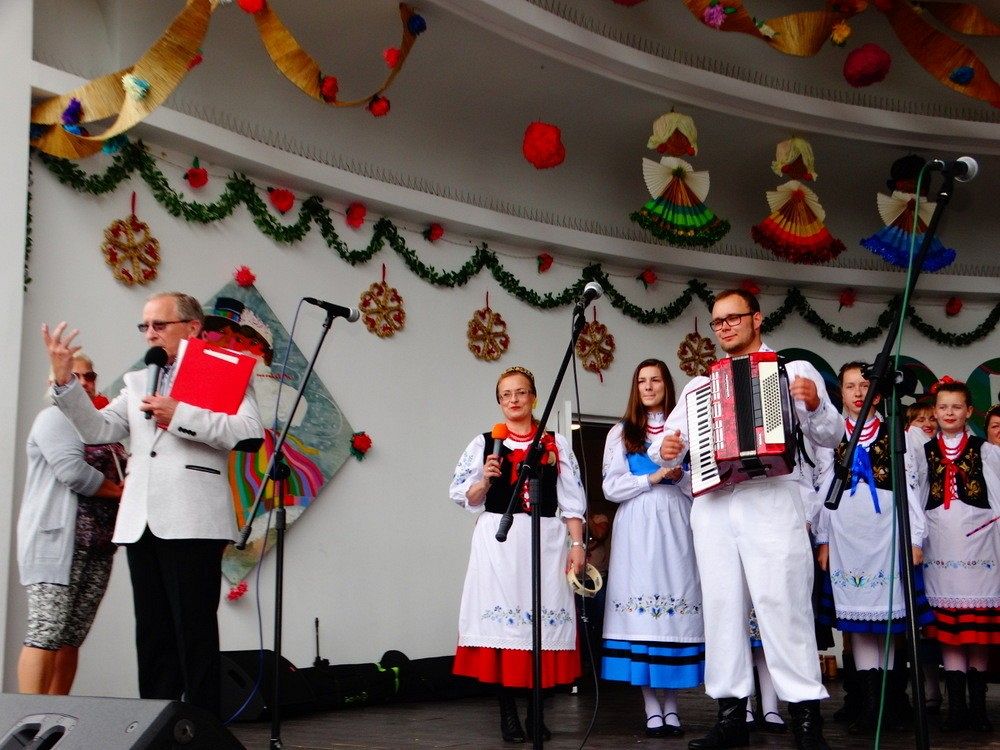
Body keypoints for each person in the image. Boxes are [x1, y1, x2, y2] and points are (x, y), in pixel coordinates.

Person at [41, 292, 263, 717]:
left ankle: (203, 728)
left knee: (194, 631)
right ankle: (156, 725)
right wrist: (65, 383)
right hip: (141, 519)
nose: (150, 334)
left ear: (193, 328)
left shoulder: (222, 369)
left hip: (193, 518)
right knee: (153, 635)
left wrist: (181, 415)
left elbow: (249, 432)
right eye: (144, 326)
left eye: (159, 325)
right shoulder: (139, 381)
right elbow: (97, 429)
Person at [650, 288, 842, 750]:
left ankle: (806, 719)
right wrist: (667, 449)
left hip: (773, 496)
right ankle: (732, 715)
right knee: (721, 609)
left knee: (784, 605)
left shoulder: (794, 370)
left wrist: (815, 404)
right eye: (717, 322)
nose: (725, 327)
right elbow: (665, 444)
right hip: (715, 503)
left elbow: (831, 435)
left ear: (757, 319)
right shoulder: (699, 387)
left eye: (733, 318)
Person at [450, 365, 586, 743]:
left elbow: (573, 502)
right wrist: (485, 479)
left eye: (521, 392)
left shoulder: (555, 444)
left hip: (546, 541)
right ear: (499, 401)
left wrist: (578, 546)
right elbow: (464, 496)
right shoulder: (484, 444)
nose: (514, 400)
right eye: (506, 394)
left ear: (534, 397)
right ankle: (508, 714)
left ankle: (536, 713)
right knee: (504, 630)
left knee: (541, 626)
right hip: (499, 543)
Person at [814, 362, 932, 734]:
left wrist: (914, 538)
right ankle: (869, 707)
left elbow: (910, 488)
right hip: (846, 535)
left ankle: (891, 704)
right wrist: (823, 539)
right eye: (851, 386)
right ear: (842, 393)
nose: (858, 392)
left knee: (889, 621)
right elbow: (823, 490)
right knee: (860, 624)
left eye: (864, 386)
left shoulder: (899, 433)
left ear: (877, 393)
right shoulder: (831, 436)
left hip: (886, 534)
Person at [600, 358, 704, 738]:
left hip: (676, 519)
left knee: (675, 603)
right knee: (640, 607)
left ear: (666, 385)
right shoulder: (621, 432)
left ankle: (672, 705)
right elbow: (611, 487)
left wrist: (679, 477)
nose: (648, 386)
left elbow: (702, 482)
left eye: (655, 380)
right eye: (641, 380)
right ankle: (650, 706)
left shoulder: (684, 430)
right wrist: (653, 477)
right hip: (637, 522)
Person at [17, 354, 125, 695]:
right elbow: (73, 472)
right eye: (75, 376)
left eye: (90, 376)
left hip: (99, 546)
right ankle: (29, 717)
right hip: (57, 542)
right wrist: (121, 492)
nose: (85, 383)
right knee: (46, 631)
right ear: (55, 382)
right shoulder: (54, 417)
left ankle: (59, 712)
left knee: (72, 636)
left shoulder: (101, 425)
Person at [907, 377, 1000, 733]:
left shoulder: (985, 450)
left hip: (979, 548)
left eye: (956, 407)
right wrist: (915, 540)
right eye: (943, 407)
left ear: (968, 411)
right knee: (950, 630)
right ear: (934, 411)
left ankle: (978, 708)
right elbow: (916, 499)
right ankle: (956, 708)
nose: (948, 412)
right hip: (939, 545)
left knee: (976, 630)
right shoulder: (923, 451)